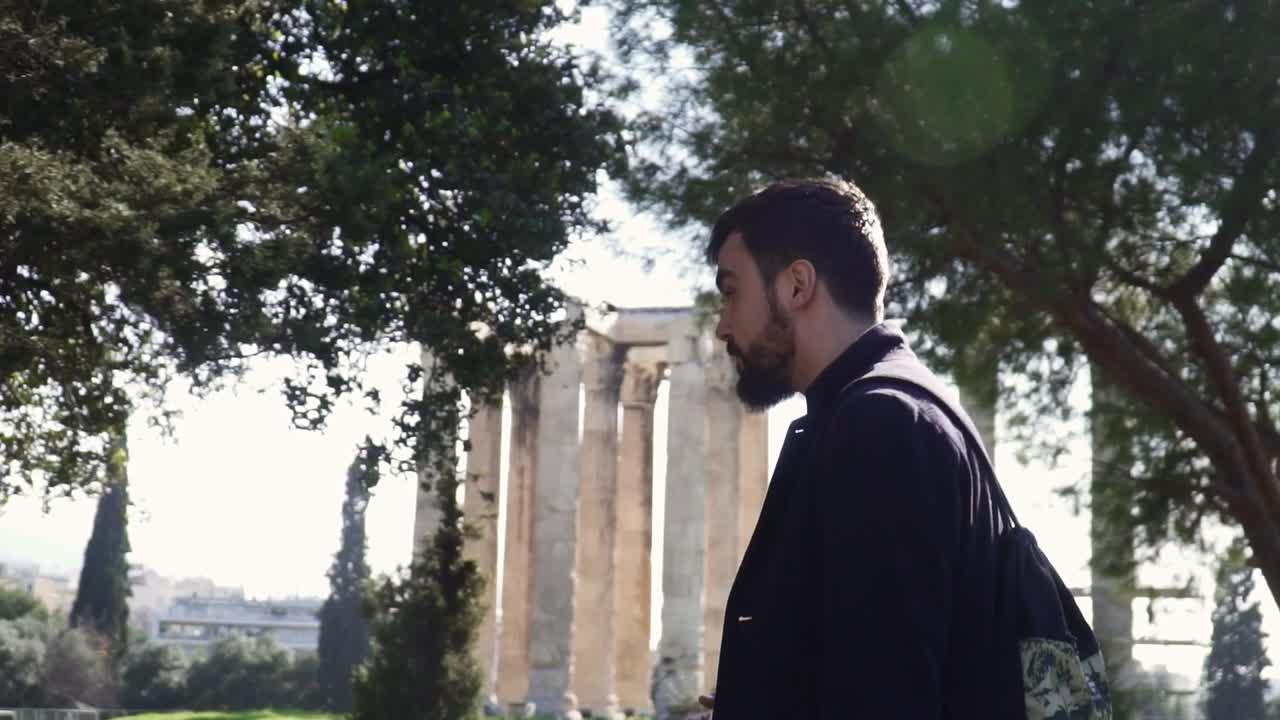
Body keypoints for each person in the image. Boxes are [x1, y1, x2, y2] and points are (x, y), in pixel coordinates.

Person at [701, 177, 1013, 719]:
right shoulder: (888, 412)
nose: (723, 326)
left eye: (732, 292)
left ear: (797, 285)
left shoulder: (884, 425)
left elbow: (885, 697)